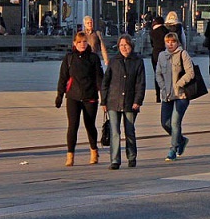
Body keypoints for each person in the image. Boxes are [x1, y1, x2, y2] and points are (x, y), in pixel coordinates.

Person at [55, 31, 105, 166]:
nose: (82, 44)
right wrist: (59, 95)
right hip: (73, 96)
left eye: (84, 42)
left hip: (90, 96)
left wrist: (104, 98)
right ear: (74, 44)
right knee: (73, 126)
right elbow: (63, 77)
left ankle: (94, 151)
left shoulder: (93, 58)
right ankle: (70, 155)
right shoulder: (69, 58)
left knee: (90, 125)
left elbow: (99, 79)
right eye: (79, 42)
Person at [101, 33, 145, 169]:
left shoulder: (137, 61)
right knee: (115, 131)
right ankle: (115, 160)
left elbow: (140, 83)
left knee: (129, 130)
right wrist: (103, 101)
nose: (123, 47)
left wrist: (138, 101)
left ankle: (132, 157)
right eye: (121, 45)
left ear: (131, 45)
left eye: (126, 45)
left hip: (130, 102)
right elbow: (105, 82)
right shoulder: (114, 61)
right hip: (113, 101)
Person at [156, 31, 194, 161]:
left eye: (173, 41)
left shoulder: (183, 54)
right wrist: (163, 87)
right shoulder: (162, 56)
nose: (170, 44)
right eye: (168, 42)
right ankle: (181, 140)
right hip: (167, 94)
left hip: (181, 95)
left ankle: (173, 149)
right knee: (165, 123)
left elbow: (190, 73)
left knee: (174, 122)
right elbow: (158, 74)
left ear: (177, 42)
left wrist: (179, 84)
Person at [149, 16, 168, 102]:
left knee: (157, 74)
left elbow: (152, 44)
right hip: (165, 53)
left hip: (155, 54)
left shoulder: (152, 32)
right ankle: (166, 93)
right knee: (166, 74)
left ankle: (157, 96)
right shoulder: (166, 31)